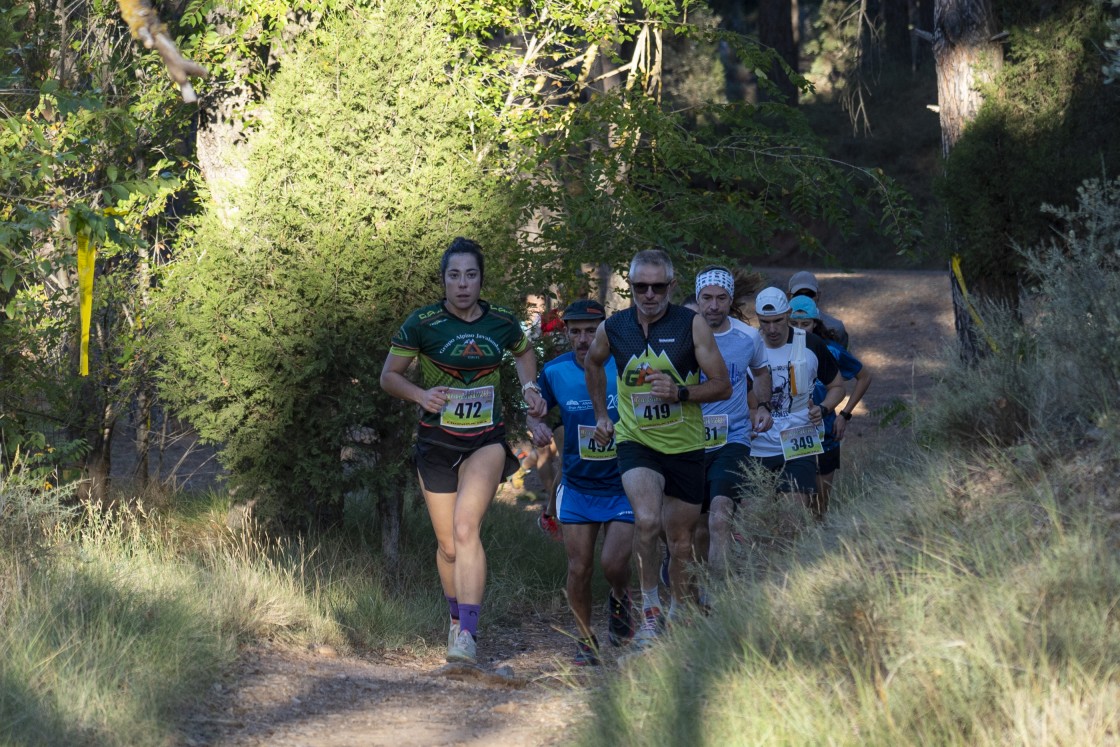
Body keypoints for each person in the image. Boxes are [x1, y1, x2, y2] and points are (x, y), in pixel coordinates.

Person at [379, 237, 547, 664]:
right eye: (454, 275)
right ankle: (455, 620)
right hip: (436, 443)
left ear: (480, 279)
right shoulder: (423, 323)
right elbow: (389, 376)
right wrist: (420, 395)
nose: (462, 284)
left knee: (466, 529)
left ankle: (468, 636)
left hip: (485, 441)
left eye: (470, 275)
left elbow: (525, 351)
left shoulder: (502, 322)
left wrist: (529, 387)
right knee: (448, 546)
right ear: (444, 280)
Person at [584, 249, 731, 649]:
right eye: (641, 287)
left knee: (680, 540)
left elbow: (723, 384)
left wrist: (680, 392)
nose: (649, 294)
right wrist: (602, 415)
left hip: (685, 444)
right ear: (629, 287)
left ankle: (678, 609)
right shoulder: (614, 328)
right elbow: (593, 364)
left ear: (671, 285)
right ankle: (649, 614)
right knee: (647, 521)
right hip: (636, 442)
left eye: (658, 286)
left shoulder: (691, 325)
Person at [527, 299, 635, 665]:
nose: (584, 339)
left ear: (605, 330)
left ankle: (621, 598)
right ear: (567, 334)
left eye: (591, 331)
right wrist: (538, 428)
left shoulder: (624, 366)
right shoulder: (555, 372)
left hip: (623, 483)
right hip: (576, 483)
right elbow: (534, 413)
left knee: (614, 565)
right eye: (576, 332)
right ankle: (586, 639)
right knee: (579, 567)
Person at [690, 266, 774, 582]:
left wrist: (763, 406)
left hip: (733, 437)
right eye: (707, 298)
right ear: (697, 299)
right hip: (689, 440)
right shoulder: (683, 334)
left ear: (730, 300)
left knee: (720, 517)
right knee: (697, 526)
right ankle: (695, 593)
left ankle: (719, 598)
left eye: (721, 298)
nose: (713, 305)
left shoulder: (748, 337)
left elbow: (762, 373)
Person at [750, 287, 845, 513]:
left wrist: (823, 408)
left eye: (778, 321)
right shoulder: (748, 343)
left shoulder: (811, 343)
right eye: (765, 322)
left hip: (799, 442)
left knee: (792, 516)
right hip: (756, 446)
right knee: (754, 521)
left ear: (789, 314)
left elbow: (838, 387)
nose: (771, 329)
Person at [788, 296, 873, 518]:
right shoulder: (778, 350)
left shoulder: (831, 350)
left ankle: (818, 543)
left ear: (815, 323)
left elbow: (864, 376)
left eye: (805, 324)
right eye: (793, 324)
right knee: (796, 503)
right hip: (790, 433)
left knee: (820, 503)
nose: (799, 329)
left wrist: (844, 414)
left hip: (825, 431)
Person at [788, 271, 849, 349]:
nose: (805, 299)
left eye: (809, 294)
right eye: (798, 294)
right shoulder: (779, 327)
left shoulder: (836, 328)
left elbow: (843, 358)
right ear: (789, 296)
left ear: (818, 296)